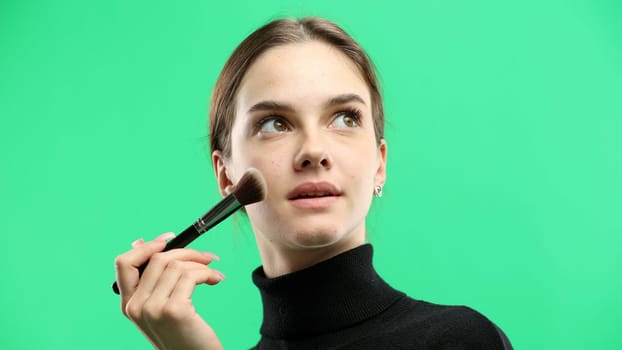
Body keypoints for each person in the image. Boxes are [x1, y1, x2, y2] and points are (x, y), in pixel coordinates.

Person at [114, 17, 513, 349]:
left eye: (345, 118)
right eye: (275, 124)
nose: (313, 151)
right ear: (226, 175)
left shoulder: (458, 340)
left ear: (379, 163)